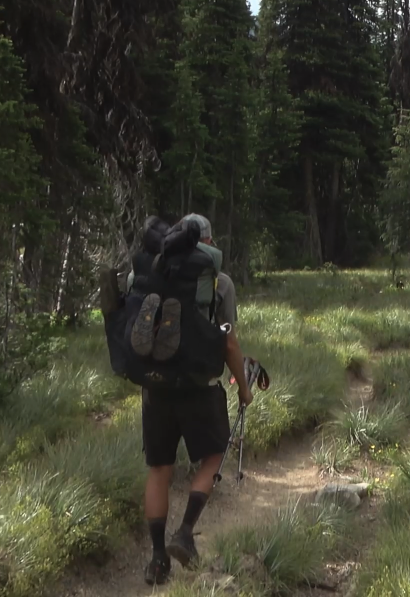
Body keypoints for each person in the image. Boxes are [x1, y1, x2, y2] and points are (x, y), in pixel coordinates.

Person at [137, 213, 254, 584]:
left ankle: (157, 560)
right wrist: (244, 386)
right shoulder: (219, 282)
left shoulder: (153, 272)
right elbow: (228, 340)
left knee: (159, 469)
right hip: (200, 387)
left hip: (155, 388)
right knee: (215, 454)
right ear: (207, 241)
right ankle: (185, 532)